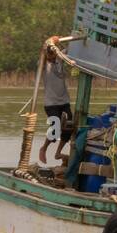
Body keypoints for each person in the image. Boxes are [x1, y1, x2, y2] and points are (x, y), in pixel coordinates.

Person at [38, 38, 73, 167]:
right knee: (55, 128)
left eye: (53, 53)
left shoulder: (60, 59)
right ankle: (44, 148)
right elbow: (43, 49)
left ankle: (58, 153)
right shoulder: (43, 64)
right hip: (51, 103)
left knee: (69, 127)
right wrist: (49, 42)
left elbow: (70, 49)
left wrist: (59, 42)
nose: (52, 56)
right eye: (49, 54)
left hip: (64, 100)